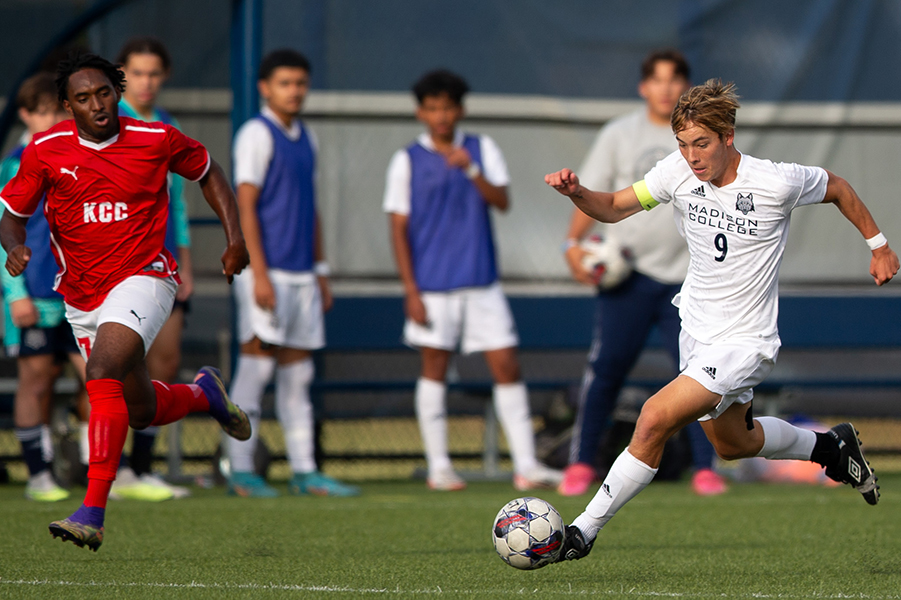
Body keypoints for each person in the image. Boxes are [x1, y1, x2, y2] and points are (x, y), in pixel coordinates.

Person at [544, 79, 898, 562]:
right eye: (683, 144)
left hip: (745, 342)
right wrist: (578, 192)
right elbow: (611, 208)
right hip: (697, 331)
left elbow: (837, 187)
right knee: (735, 443)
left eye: (702, 143)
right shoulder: (676, 173)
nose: (692, 156)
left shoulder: (776, 180)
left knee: (653, 418)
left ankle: (581, 532)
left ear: (728, 136)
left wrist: (878, 246)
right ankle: (830, 448)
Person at [0, 52, 252, 551]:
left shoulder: (155, 138)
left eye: (104, 93)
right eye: (83, 97)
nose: (97, 104)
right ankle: (205, 394)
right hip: (81, 295)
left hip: (145, 277)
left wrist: (234, 238)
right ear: (67, 105)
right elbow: (11, 212)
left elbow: (208, 171)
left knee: (101, 373)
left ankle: (92, 510)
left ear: (118, 92)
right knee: (140, 409)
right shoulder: (45, 150)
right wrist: (15, 247)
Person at [384, 69, 562, 491]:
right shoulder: (406, 160)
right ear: (420, 113)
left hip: (481, 282)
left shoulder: (482, 149)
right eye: (432, 108)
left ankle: (526, 466)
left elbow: (502, 201)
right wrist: (410, 290)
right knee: (435, 368)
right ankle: (439, 467)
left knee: (506, 365)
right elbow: (397, 228)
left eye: (448, 107)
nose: (441, 115)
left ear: (460, 110)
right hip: (431, 287)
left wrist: (472, 171)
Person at [559, 49, 726, 497]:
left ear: (686, 89)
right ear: (643, 87)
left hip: (688, 281)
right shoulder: (619, 134)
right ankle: (581, 464)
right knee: (606, 369)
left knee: (698, 375)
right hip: (627, 278)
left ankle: (705, 468)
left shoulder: (707, 139)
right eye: (658, 80)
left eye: (675, 80)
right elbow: (598, 196)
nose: (666, 88)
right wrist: (571, 247)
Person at [227, 49, 358, 498]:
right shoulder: (255, 135)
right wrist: (258, 273)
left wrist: (321, 271)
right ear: (265, 87)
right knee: (256, 368)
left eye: (300, 83)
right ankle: (240, 470)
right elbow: (245, 206)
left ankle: (305, 471)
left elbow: (311, 209)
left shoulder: (307, 137)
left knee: (298, 375)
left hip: (303, 273)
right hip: (267, 271)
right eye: (285, 83)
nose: (294, 91)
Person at [0, 72, 82, 502]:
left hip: (78, 293)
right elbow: (4, 234)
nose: (51, 120)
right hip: (33, 296)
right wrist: (15, 296)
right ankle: (38, 475)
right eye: (43, 112)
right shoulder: (15, 164)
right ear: (26, 115)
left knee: (100, 377)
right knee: (35, 382)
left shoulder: (76, 158)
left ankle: (105, 469)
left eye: (58, 111)